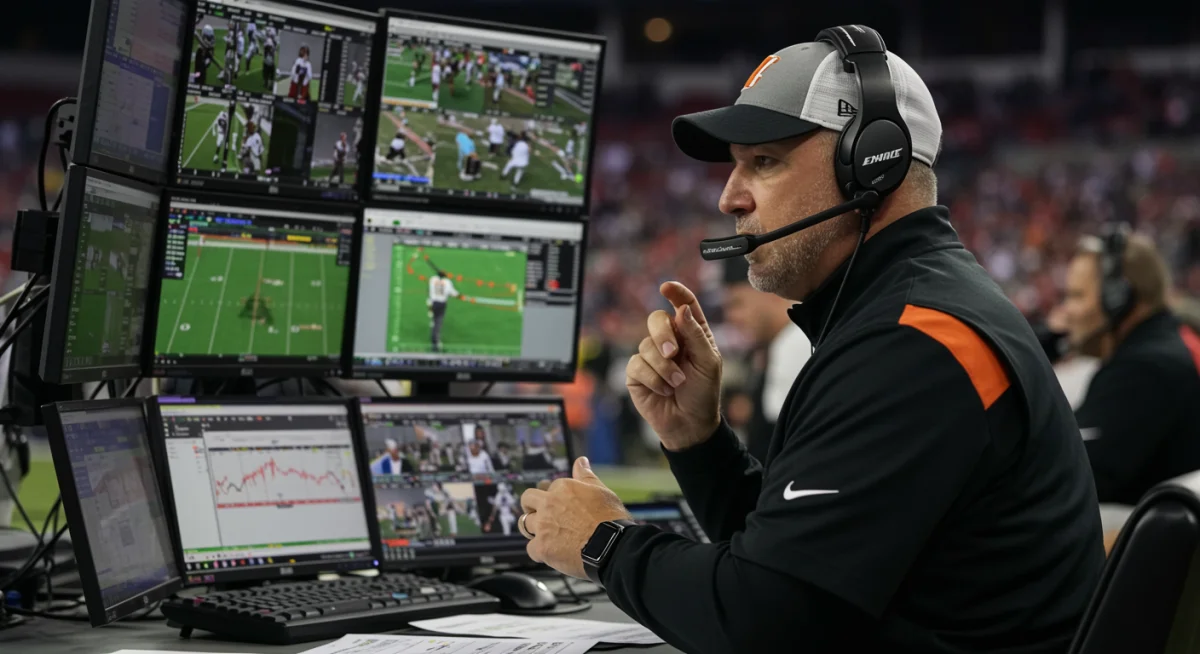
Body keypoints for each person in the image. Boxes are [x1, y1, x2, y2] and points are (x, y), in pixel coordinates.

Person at [515, 27, 1103, 653]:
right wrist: (699, 442)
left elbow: (769, 619)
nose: (729, 197)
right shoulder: (907, 315)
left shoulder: (912, 344)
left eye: (764, 162)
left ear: (872, 164)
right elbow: (797, 558)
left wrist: (604, 543)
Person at [1056, 226, 1200, 505]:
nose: (1065, 311)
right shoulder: (1168, 340)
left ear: (1118, 296)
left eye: (1077, 295)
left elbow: (1068, 475)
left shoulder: (1143, 370)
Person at [720, 255, 811, 461]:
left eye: (737, 303)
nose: (732, 316)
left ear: (771, 292)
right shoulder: (780, 343)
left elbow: (786, 447)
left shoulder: (795, 344)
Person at [427, 271, 460, 352]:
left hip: (433, 303)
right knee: (438, 323)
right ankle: (435, 343)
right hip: (441, 304)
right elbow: (453, 293)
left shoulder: (432, 279)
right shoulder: (447, 282)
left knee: (435, 320)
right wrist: (459, 295)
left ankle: (434, 336)